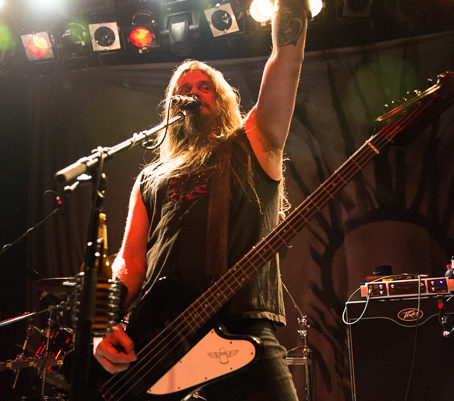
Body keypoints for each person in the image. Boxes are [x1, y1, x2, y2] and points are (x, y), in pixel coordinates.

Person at [93, 0, 309, 399]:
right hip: (160, 341)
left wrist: (290, 8)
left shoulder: (253, 144)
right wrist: (103, 326)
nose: (192, 94)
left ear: (222, 98)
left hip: (241, 328)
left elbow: (286, 62)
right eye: (184, 90)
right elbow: (131, 261)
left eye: (203, 86)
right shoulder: (150, 176)